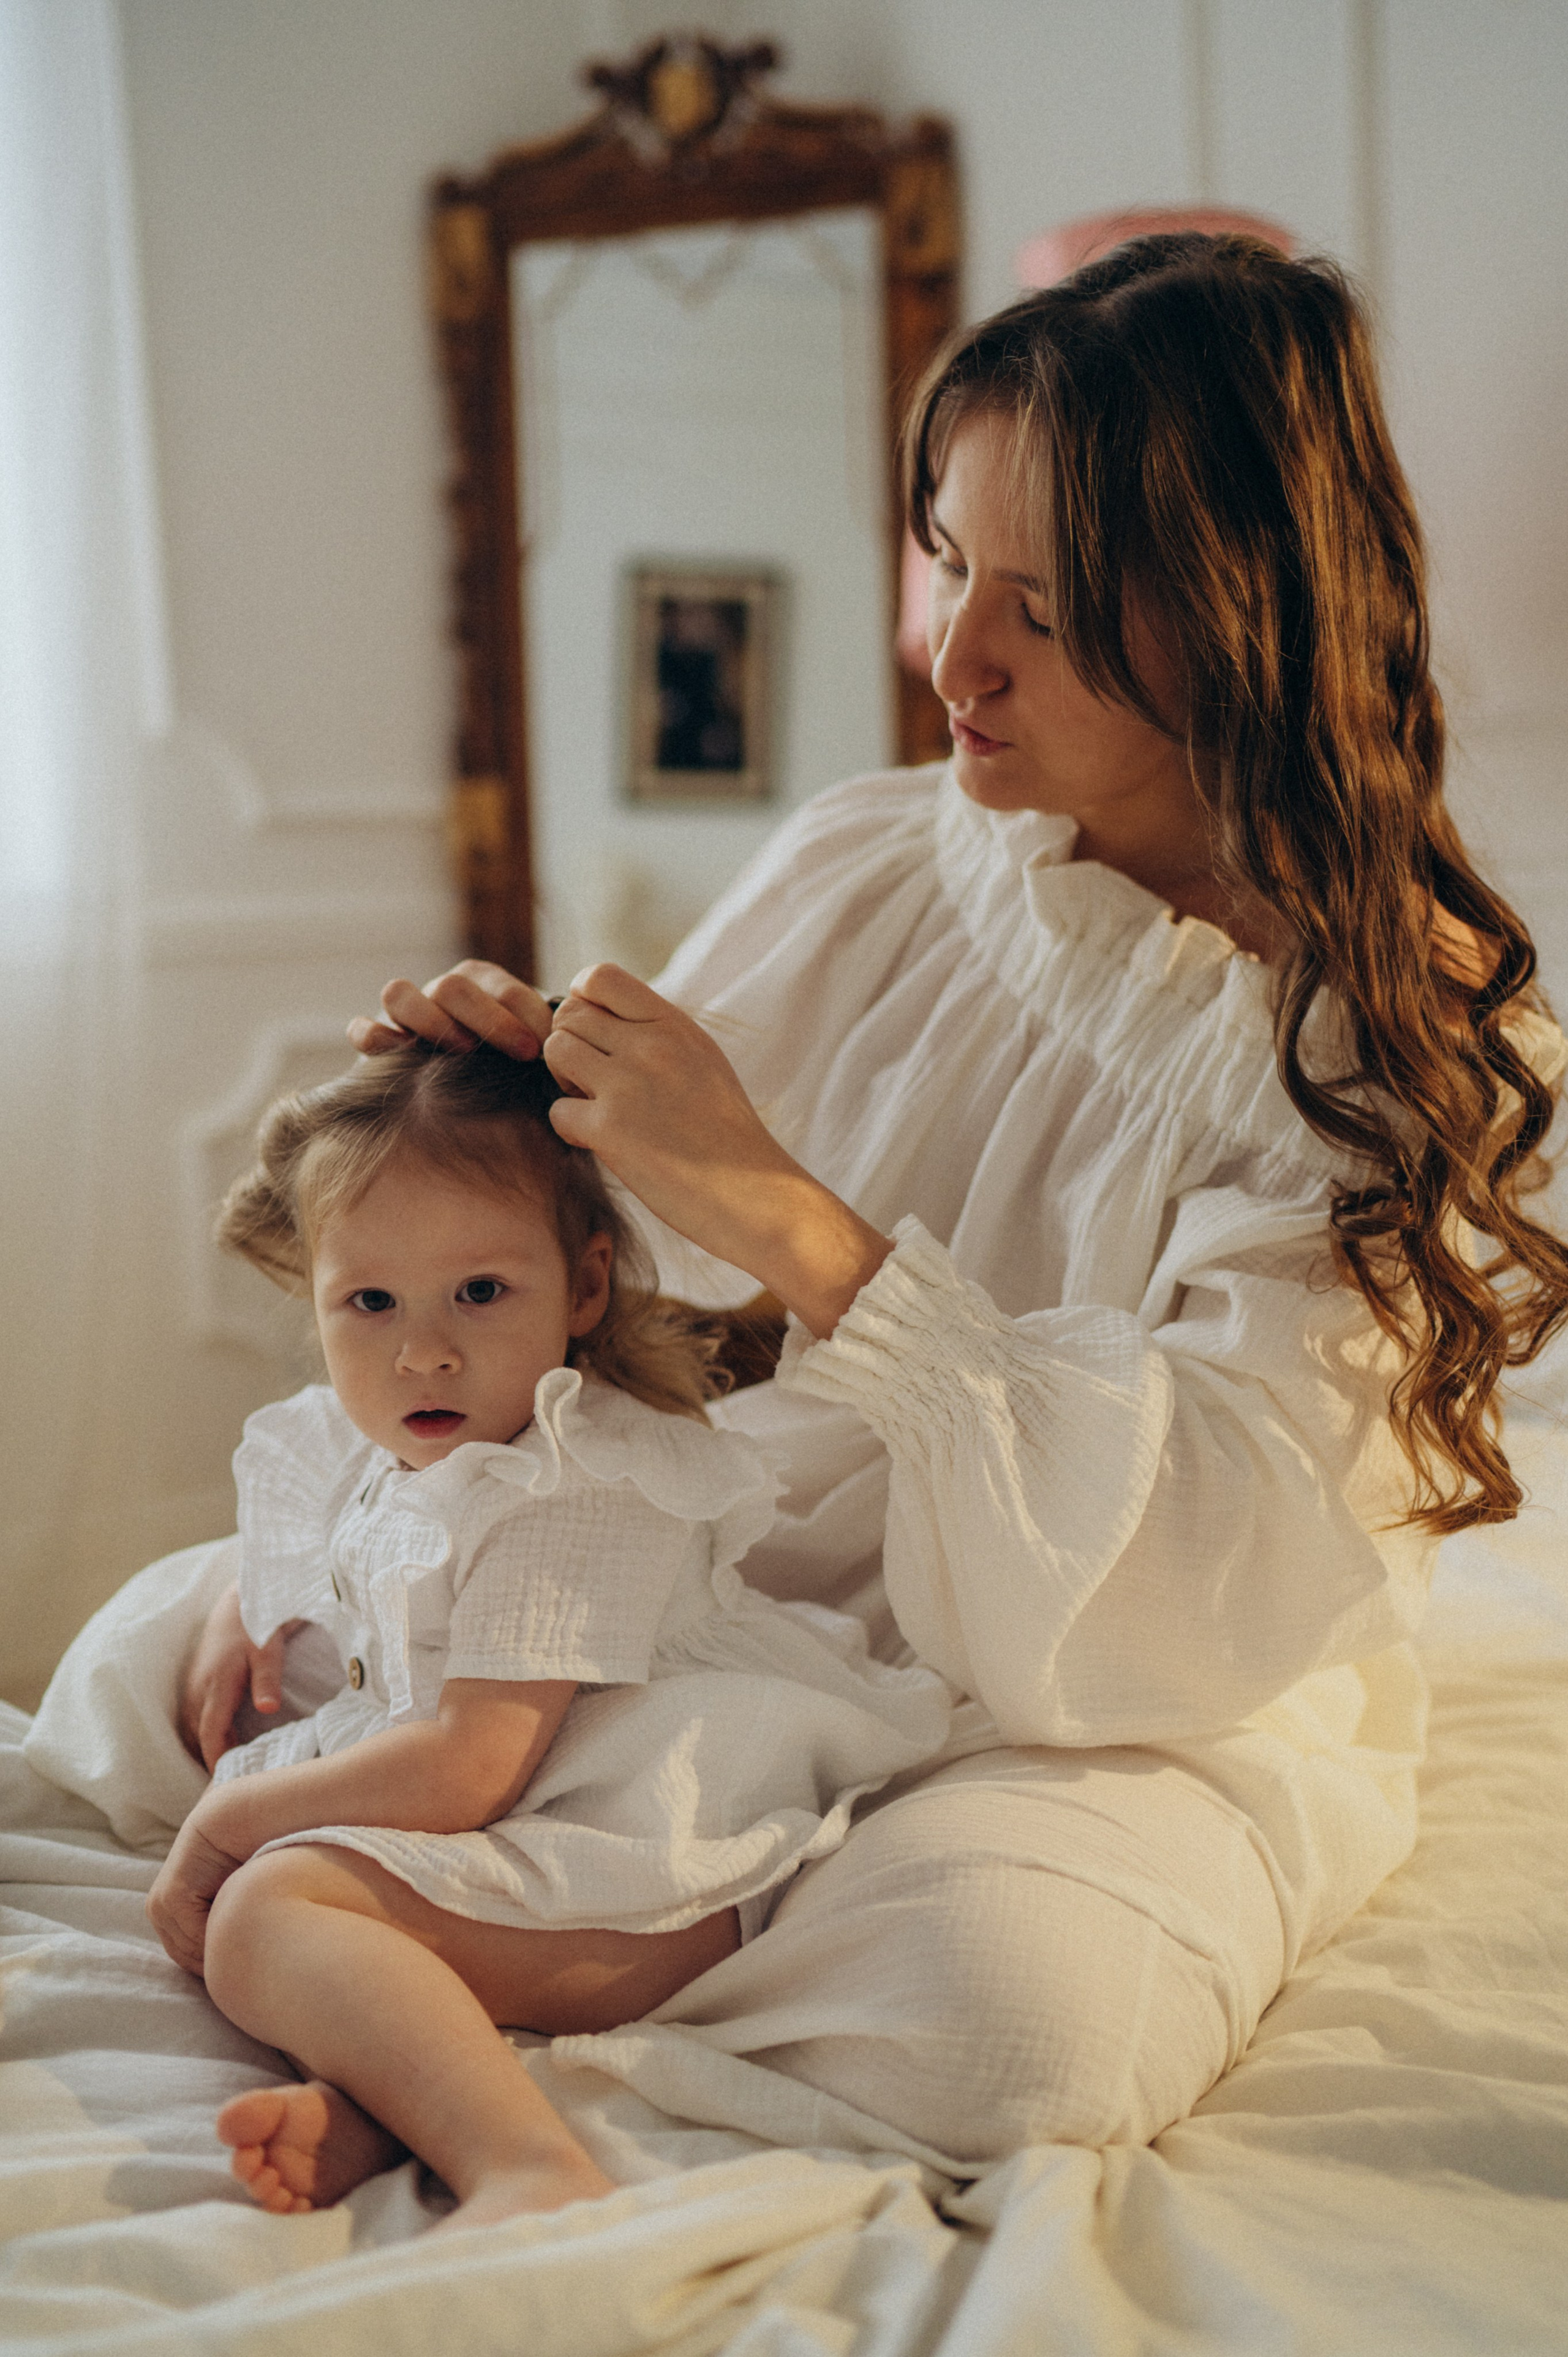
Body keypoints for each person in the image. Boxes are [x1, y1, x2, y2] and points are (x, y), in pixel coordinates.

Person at [185, 232, 1568, 2166]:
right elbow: (617, 1268)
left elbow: (1212, 1565)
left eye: (1048, 608)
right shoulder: (888, 858)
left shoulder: (1373, 1067)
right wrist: (512, 1132)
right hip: (750, 1549)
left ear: (1240, 616)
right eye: (946, 558)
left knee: (1013, 2021)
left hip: (1130, 1698)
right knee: (162, 1658)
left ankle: (442, 2008)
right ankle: (460, 2007)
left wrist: (806, 1234)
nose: (953, 655)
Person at [147, 1040, 951, 2225]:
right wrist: (246, 1602)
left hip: (653, 1871)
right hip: (531, 1824)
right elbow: (325, 1506)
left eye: (481, 1292)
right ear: (317, 1295)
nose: (424, 1349)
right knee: (303, 1933)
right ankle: (386, 2109)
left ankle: (528, 2164)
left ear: (583, 1287)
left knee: (266, 1914)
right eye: (370, 1302)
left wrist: (225, 1822)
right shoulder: (394, 1425)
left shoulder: (574, 1481)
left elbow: (469, 1768)